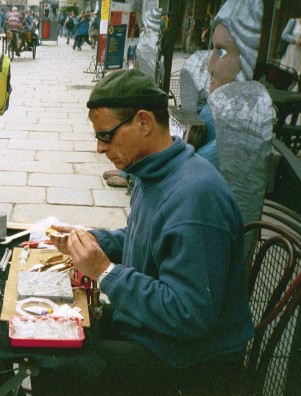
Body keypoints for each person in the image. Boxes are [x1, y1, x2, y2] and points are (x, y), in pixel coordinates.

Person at [32, 69, 254, 395]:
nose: (99, 148)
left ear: (144, 122)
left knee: (55, 361)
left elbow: (190, 315)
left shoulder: (194, 198)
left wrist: (105, 272)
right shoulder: (153, 170)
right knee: (52, 324)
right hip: (158, 331)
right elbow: (147, 237)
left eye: (105, 135)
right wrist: (92, 242)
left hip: (192, 362)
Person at [196, 0, 262, 168]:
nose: (210, 66)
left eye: (222, 52)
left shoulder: (236, 133)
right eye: (213, 49)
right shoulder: (212, 110)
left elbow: (188, 170)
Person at [280, 13, 301, 86]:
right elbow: (284, 35)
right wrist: (294, 40)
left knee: (296, 74)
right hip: (290, 51)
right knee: (286, 72)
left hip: (300, 53)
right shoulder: (293, 21)